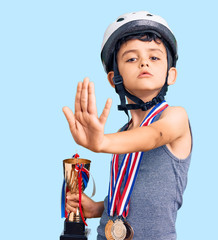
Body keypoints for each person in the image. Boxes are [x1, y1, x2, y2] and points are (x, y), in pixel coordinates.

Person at [62, 11, 192, 240]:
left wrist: (102, 142)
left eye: (154, 57)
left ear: (171, 75)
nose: (143, 62)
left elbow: (153, 136)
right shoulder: (123, 135)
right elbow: (130, 197)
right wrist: (97, 209)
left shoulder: (175, 118)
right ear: (114, 79)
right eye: (131, 58)